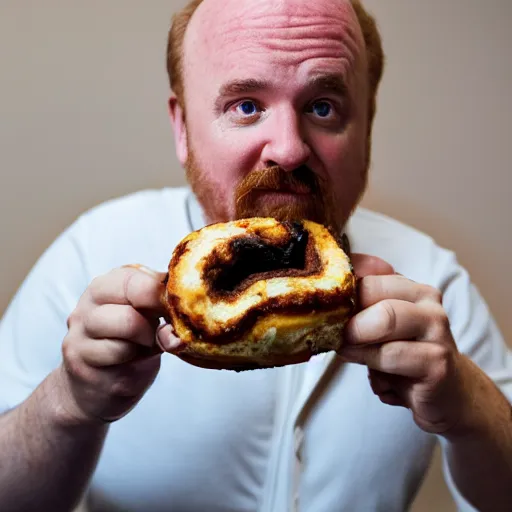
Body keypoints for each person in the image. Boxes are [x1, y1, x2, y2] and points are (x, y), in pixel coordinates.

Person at [0, 0, 511, 510]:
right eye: (246, 106)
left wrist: (469, 407)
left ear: (368, 126)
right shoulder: (93, 252)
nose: (287, 150)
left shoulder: (432, 282)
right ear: (182, 128)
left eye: (323, 107)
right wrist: (66, 404)